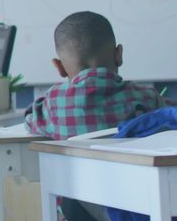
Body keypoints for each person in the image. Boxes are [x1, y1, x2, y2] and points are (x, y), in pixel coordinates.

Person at [25, 10, 170, 139]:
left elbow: (29, 121)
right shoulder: (147, 98)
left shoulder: (53, 102)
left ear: (60, 67)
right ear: (118, 54)